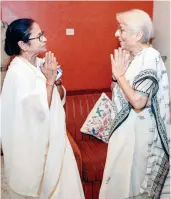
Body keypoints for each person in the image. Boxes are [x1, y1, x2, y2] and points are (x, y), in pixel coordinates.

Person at [1, 18, 85, 199]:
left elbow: (59, 97)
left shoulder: (40, 64)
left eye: (43, 34)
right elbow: (39, 113)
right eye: (39, 36)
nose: (45, 39)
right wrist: (49, 81)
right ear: (23, 44)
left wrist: (55, 80)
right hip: (37, 150)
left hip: (56, 143)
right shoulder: (18, 72)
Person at [99, 9, 170, 199]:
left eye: (121, 29)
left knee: (136, 189)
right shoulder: (135, 58)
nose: (117, 34)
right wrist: (117, 77)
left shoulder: (150, 57)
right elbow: (119, 93)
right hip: (126, 134)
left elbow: (139, 101)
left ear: (137, 35)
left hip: (141, 137)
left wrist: (120, 75)